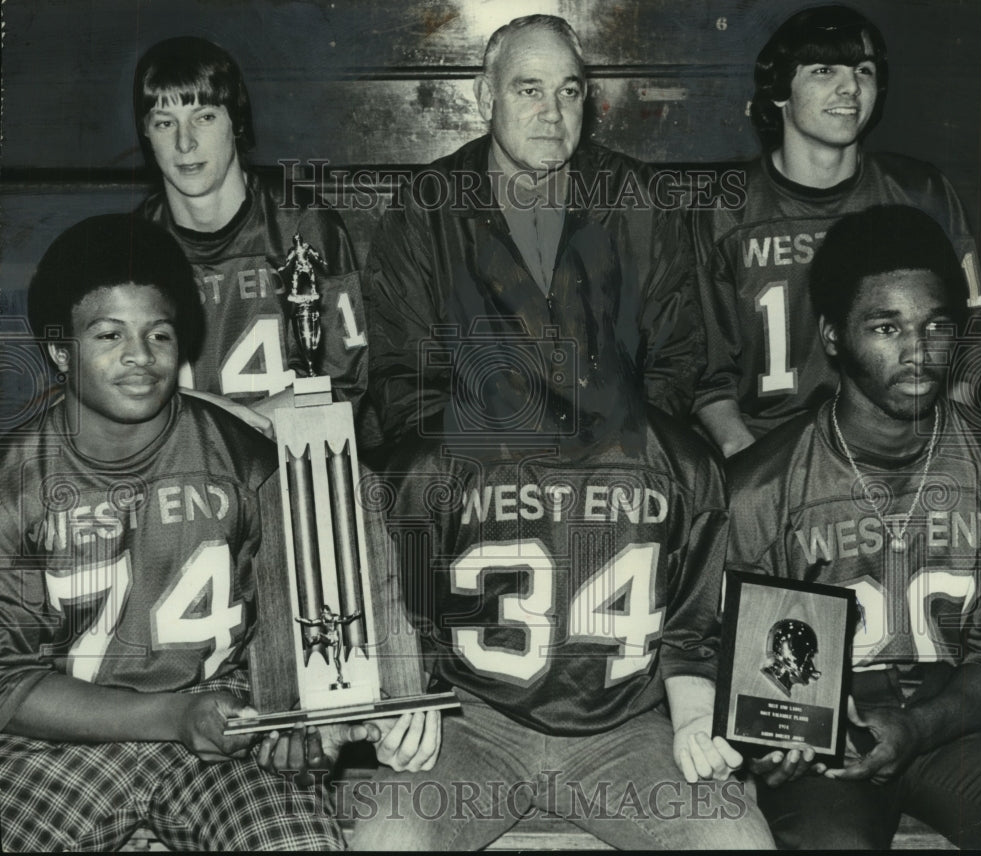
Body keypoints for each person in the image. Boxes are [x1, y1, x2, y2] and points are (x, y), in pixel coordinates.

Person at [0, 215, 434, 851]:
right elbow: (7, 683)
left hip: (219, 741)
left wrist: (296, 731)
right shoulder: (15, 479)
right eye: (109, 335)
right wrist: (173, 717)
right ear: (61, 350)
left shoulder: (247, 460)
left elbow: (296, 650)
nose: (139, 356)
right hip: (62, 741)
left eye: (159, 333)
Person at [347, 361, 775, 849]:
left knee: (737, 840)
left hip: (623, 724)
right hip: (471, 718)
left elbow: (688, 629)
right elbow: (396, 607)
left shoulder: (683, 462)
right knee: (388, 841)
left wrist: (696, 715)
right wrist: (399, 700)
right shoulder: (436, 458)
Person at [726, 204, 981, 849]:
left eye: (937, 326)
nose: (918, 353)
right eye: (885, 327)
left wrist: (919, 727)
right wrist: (765, 736)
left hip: (959, 725)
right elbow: (731, 664)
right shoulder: (761, 486)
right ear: (831, 337)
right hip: (828, 750)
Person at [362, 14, 704, 453]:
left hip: (618, 471)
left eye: (568, 91)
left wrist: (620, 459)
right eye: (529, 91)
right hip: (478, 476)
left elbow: (674, 358)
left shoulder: (638, 198)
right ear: (486, 99)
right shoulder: (425, 208)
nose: (554, 114)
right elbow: (403, 375)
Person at [692, 4, 981, 457]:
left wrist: (949, 441)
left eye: (864, 70)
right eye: (823, 69)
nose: (850, 86)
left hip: (900, 445)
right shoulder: (724, 210)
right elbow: (703, 369)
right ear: (780, 90)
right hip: (769, 447)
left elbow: (975, 325)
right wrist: (747, 460)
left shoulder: (921, 193)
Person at [134, 37, 367, 435]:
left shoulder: (302, 226)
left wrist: (224, 428)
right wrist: (230, 420)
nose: (184, 143)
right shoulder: (135, 243)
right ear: (146, 135)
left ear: (236, 123)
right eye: (164, 122)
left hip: (291, 459)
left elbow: (339, 385)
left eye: (204, 117)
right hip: (182, 466)